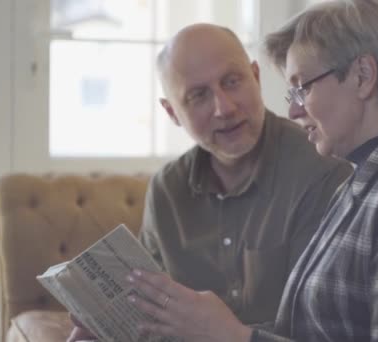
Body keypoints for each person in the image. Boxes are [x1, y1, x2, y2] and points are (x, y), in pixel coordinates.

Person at [125, 1, 378, 341]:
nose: (293, 111)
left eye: (301, 88)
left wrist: (234, 337)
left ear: (362, 76)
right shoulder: (366, 180)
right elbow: (302, 330)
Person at [67, 23, 352, 341]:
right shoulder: (166, 192)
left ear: (255, 77)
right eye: (198, 95)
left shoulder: (323, 169)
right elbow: (150, 316)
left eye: (232, 82)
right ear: (172, 112)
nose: (224, 108)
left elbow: (326, 327)